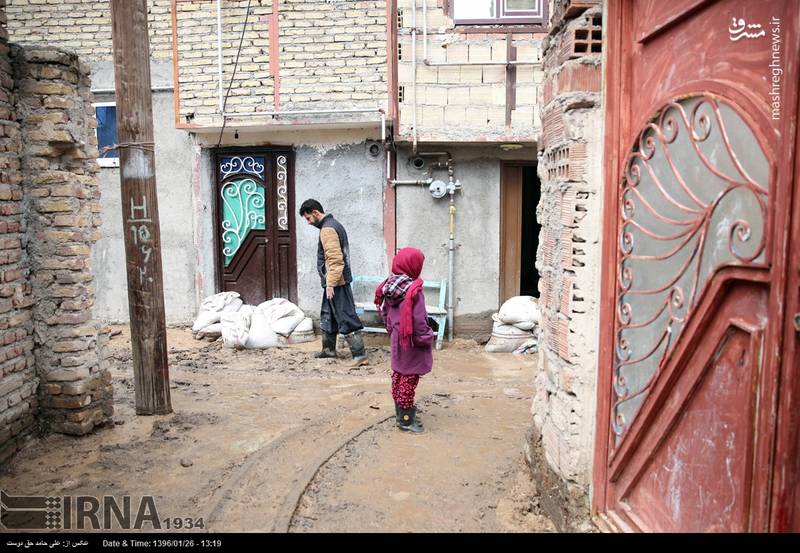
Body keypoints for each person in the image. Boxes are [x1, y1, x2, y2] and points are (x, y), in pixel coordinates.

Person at [299, 199, 368, 367]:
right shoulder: (331, 225)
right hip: (333, 281)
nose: (308, 223)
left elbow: (336, 260)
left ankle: (360, 355)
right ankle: (328, 350)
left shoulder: (328, 229)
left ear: (316, 212)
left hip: (337, 282)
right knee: (328, 314)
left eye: (308, 218)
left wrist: (330, 284)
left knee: (346, 315)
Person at [374, 247, 434, 433]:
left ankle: (400, 411)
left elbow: (385, 312)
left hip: (396, 337)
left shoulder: (389, 286)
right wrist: (426, 338)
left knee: (399, 374)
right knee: (410, 377)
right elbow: (419, 320)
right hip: (411, 341)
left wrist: (392, 330)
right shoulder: (414, 290)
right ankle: (406, 420)